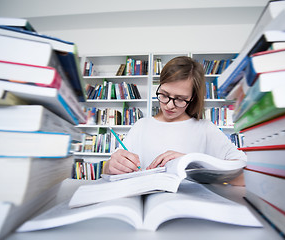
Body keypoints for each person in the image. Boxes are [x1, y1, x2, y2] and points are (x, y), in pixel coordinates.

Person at [103, 56, 246, 185]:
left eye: (180, 99)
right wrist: (110, 166)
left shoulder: (206, 129)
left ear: (193, 99)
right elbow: (108, 169)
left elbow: (244, 175)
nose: (169, 105)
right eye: (164, 95)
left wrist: (193, 162)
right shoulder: (141, 125)